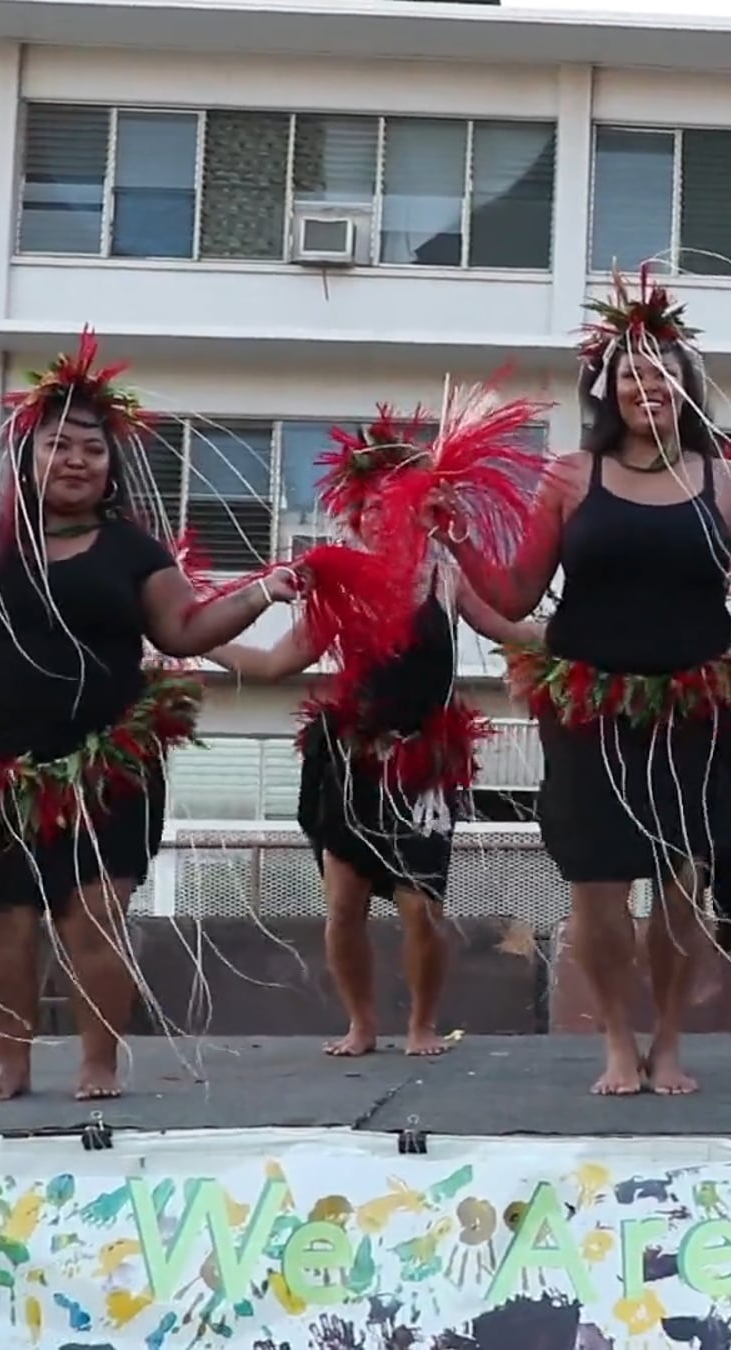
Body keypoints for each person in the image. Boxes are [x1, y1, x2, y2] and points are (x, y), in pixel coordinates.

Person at [0, 335, 296, 1101]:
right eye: (58, 445)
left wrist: (263, 590)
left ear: (112, 467)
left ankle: (98, 1062)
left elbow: (184, 631)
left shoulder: (134, 552)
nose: (76, 460)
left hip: (104, 771)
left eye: (92, 449)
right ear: (27, 460)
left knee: (94, 916)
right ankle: (11, 1063)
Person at [457, 274, 731, 1096]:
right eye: (630, 373)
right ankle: (619, 1041)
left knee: (682, 884)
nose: (646, 384)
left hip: (693, 711)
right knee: (599, 889)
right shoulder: (571, 476)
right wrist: (459, 542)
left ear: (687, 385)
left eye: (662, 372)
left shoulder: (727, 482)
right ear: (605, 387)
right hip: (593, 711)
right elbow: (511, 597)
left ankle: (671, 1040)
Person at [209, 410, 542, 1059]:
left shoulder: (445, 573)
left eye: (396, 502)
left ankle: (422, 1024)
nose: (381, 515)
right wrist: (196, 641)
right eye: (369, 505)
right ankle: (361, 1024)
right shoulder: (340, 583)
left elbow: (512, 628)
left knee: (422, 907)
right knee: (345, 905)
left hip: (423, 765)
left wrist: (592, 635)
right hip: (349, 760)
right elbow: (274, 664)